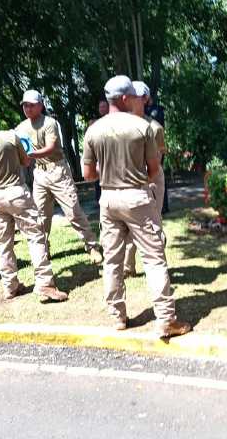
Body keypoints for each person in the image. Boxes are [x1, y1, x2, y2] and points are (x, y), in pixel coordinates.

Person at [82, 75, 191, 338]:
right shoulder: (141, 127)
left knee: (112, 260)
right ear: (123, 98)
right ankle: (165, 318)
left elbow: (87, 175)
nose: (136, 99)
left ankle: (117, 316)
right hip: (137, 198)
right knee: (153, 259)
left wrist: (108, 171)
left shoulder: (93, 130)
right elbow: (154, 171)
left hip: (108, 200)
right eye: (132, 95)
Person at [0, 102, 67, 302]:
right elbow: (26, 160)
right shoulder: (9, 136)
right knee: (35, 237)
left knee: (4, 242)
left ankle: (10, 286)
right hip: (16, 191)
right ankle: (45, 284)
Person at [16, 90, 103, 264]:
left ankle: (92, 246)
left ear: (40, 105)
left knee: (73, 210)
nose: (28, 108)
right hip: (39, 173)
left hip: (58, 171)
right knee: (40, 214)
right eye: (25, 105)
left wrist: (29, 155)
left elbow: (51, 147)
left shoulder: (49, 123)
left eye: (31, 104)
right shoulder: (20, 128)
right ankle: (43, 250)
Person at [123, 81, 167, 277]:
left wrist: (147, 182)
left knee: (153, 223)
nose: (133, 99)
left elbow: (157, 160)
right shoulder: (120, 125)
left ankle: (159, 267)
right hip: (127, 181)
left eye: (137, 96)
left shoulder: (155, 127)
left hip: (151, 178)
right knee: (126, 225)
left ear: (146, 99)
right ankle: (127, 266)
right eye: (130, 95)